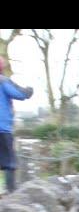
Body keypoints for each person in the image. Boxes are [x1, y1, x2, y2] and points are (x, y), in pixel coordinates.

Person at [0, 56, 34, 193]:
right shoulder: (3, 81)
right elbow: (20, 94)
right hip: (2, 129)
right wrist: (28, 90)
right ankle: (10, 193)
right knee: (9, 162)